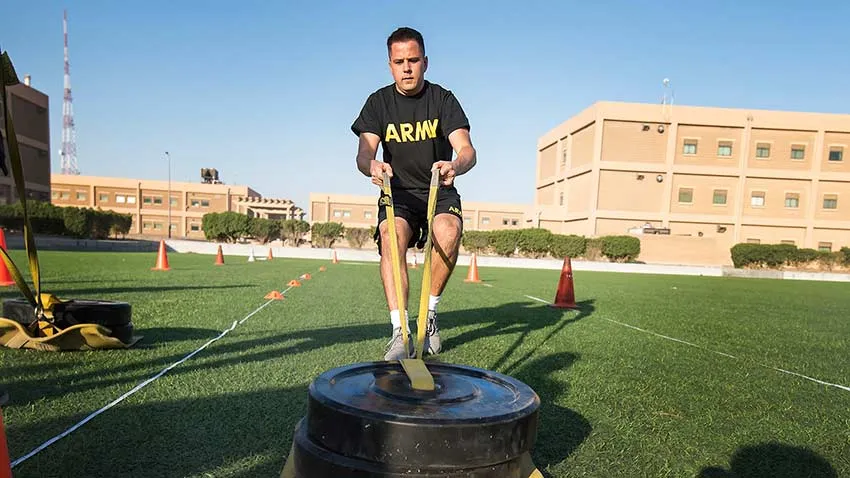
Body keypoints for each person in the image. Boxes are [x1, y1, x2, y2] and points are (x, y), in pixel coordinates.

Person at [351, 27, 477, 361]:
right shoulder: (378, 103)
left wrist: (456, 165)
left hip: (438, 188)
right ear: (390, 65)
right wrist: (371, 166)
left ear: (425, 62)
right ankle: (400, 331)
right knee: (390, 236)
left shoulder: (443, 100)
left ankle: (428, 317)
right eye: (399, 62)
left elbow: (467, 150)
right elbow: (364, 154)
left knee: (448, 231)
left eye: (413, 60)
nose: (407, 68)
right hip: (399, 193)